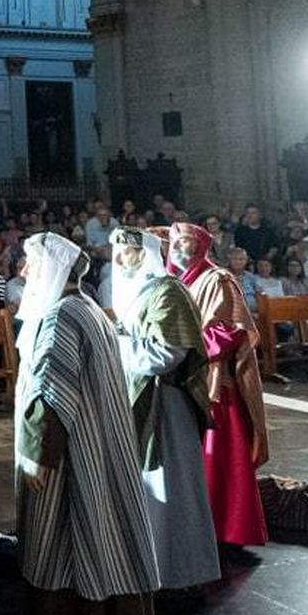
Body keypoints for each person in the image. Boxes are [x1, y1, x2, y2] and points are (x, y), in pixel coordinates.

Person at [10, 232, 158, 615]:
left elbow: (53, 392)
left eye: (31, 263)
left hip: (70, 454)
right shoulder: (86, 307)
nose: (25, 271)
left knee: (62, 545)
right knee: (104, 537)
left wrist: (39, 456)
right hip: (98, 444)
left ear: (51, 269)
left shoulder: (62, 316)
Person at [108, 228, 219, 592]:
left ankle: (181, 574)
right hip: (138, 398)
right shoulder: (139, 291)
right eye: (116, 251)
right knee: (148, 489)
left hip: (166, 406)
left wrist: (114, 345)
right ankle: (150, 567)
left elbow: (166, 355)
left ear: (145, 254)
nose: (119, 259)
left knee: (173, 488)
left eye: (126, 251)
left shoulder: (168, 292)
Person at [166, 221, 269, 556]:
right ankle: (193, 525)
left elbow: (230, 331)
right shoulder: (174, 282)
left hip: (214, 380)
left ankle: (228, 528)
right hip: (181, 378)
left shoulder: (218, 279)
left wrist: (180, 346)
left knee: (222, 455)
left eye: (186, 242)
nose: (179, 249)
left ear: (201, 246)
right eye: (175, 243)